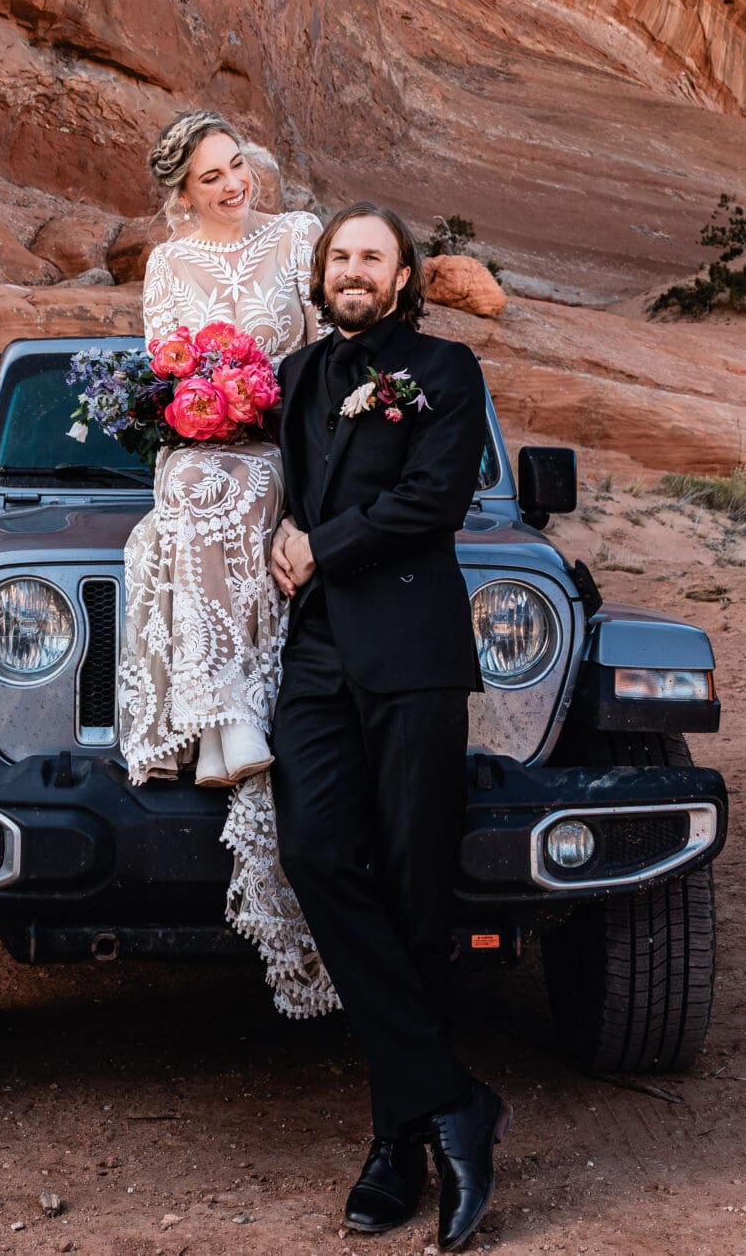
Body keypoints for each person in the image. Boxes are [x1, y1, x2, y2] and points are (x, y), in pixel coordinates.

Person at [267, 202, 507, 1249]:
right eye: (338, 256)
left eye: (371, 255)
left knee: (415, 889)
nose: (352, 269)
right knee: (316, 852)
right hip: (314, 653)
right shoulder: (293, 378)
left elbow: (431, 501)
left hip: (409, 648)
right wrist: (278, 524)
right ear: (319, 276)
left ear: (404, 277)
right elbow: (273, 484)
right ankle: (454, 1099)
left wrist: (323, 545)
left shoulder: (443, 375)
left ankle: (393, 1146)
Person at [117, 110, 336, 1019]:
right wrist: (205, 408)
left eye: (237, 165)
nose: (234, 184)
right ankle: (225, 721)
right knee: (194, 490)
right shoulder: (167, 265)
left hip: (293, 445)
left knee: (218, 496)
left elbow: (331, 351)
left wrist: (270, 412)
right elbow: (165, 373)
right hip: (206, 445)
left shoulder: (298, 237)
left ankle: (222, 721)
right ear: (182, 195)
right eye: (212, 177)